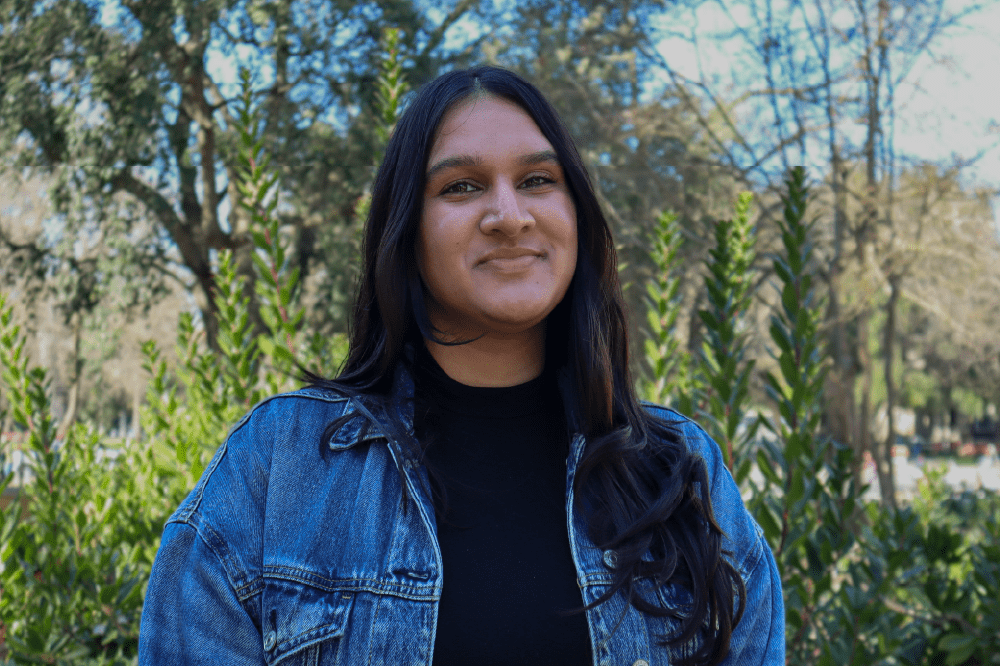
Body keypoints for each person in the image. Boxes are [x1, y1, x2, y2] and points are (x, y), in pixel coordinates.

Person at [138, 65, 783, 666]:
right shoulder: (278, 469)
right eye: (462, 186)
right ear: (406, 232)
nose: (509, 215)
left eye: (537, 180)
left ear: (576, 217)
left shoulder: (680, 473)